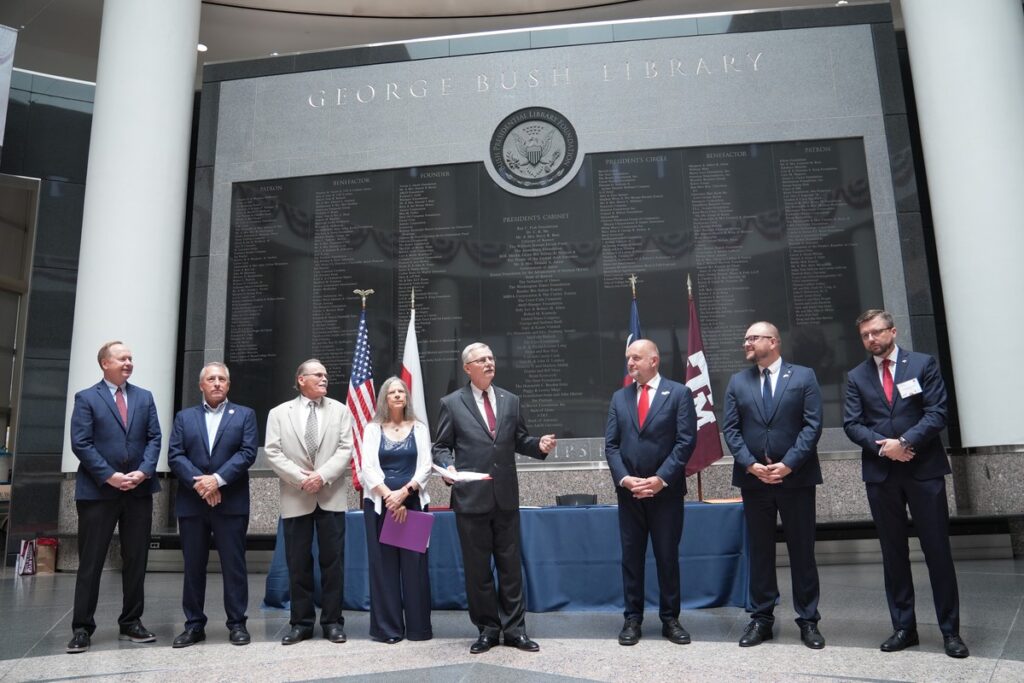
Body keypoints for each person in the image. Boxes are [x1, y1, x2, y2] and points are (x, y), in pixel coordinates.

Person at [844, 309, 968, 658]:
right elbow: (853, 423)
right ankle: (904, 628)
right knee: (893, 552)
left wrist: (905, 443)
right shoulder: (856, 376)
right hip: (882, 474)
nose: (871, 339)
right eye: (865, 334)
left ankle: (950, 632)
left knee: (937, 552)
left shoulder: (922, 364)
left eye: (877, 332)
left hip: (923, 470)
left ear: (893, 331)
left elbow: (937, 412)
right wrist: (886, 448)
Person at [432, 342, 556, 654]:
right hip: (471, 498)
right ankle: (487, 629)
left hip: (505, 498)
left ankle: (515, 630)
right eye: (481, 360)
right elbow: (441, 446)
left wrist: (537, 445)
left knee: (511, 568)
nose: (489, 363)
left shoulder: (510, 400)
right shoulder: (451, 403)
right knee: (478, 571)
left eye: (491, 358)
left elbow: (520, 440)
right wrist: (447, 467)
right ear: (467, 368)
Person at [722, 322, 825, 649]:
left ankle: (808, 621)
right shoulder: (739, 382)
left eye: (753, 337)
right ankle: (761, 619)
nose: (746, 343)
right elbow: (731, 430)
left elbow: (812, 425)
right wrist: (751, 465)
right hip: (754, 482)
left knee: (802, 551)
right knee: (760, 552)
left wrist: (788, 464)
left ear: (774, 341)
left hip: (796, 479)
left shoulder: (804, 376)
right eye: (746, 337)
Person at [67, 341, 162, 654]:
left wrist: (145, 471)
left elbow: (154, 438)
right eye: (123, 358)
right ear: (105, 363)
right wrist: (109, 475)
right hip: (98, 492)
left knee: (136, 559)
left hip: (138, 492)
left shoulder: (144, 397)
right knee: (91, 562)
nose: (129, 362)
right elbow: (81, 443)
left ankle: (131, 622)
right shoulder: (86, 398)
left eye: (131, 358)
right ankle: (82, 627)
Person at [605, 339, 696, 647]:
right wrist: (625, 479)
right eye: (628, 358)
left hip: (665, 494)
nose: (630, 363)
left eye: (636, 358)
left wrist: (660, 479)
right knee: (631, 558)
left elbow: (685, 442)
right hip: (630, 495)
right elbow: (612, 445)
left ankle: (671, 619)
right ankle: (633, 619)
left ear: (654, 360)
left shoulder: (679, 394)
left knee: (667, 557)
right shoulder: (620, 397)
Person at [167, 362, 258, 648]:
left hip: (230, 503)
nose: (217, 383)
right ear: (201, 385)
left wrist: (217, 481)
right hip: (193, 504)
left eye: (222, 379)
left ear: (228, 385)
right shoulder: (185, 417)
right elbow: (175, 455)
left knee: (234, 565)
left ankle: (237, 624)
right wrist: (201, 485)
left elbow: (247, 453)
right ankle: (194, 625)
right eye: (211, 378)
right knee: (194, 565)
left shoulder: (244, 415)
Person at [265, 359, 354, 645]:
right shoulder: (279, 413)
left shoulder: (340, 411)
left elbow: (345, 449)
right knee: (298, 563)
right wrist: (301, 478)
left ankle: (332, 623)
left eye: (326, 375)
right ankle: (301, 623)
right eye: (318, 374)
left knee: (333, 564)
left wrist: (322, 476)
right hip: (296, 495)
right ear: (301, 379)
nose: (324, 378)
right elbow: (273, 452)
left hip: (330, 496)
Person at [359, 376, 433, 643]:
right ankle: (388, 630)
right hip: (381, 507)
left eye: (402, 391)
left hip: (412, 505)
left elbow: (426, 466)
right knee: (384, 568)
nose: (398, 395)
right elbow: (367, 468)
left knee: (415, 569)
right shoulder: (372, 428)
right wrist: (390, 497)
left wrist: (404, 494)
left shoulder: (420, 428)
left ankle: (418, 629)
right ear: (384, 399)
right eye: (392, 392)